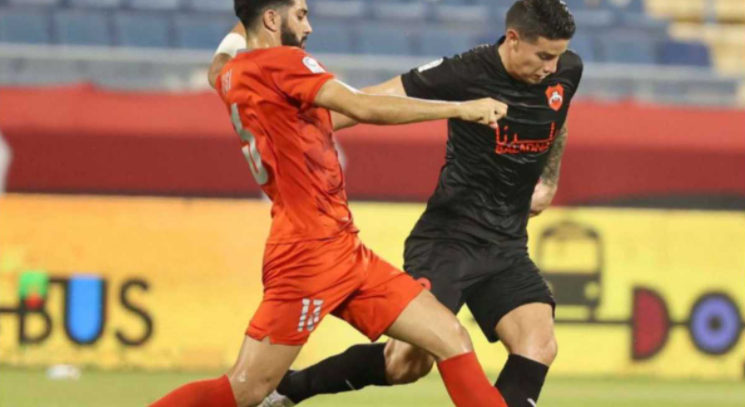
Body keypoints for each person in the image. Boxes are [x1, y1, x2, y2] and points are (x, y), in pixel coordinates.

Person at [151, 1, 511, 406]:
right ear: (272, 19)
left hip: (343, 249)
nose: (308, 27)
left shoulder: (230, 75)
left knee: (450, 337)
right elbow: (362, 105)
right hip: (308, 255)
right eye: (300, 15)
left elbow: (221, 57)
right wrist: (463, 108)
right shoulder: (282, 62)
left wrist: (246, 17)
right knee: (247, 389)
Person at [249, 1, 583, 406]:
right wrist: (288, 126)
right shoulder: (466, 71)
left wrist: (549, 179)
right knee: (407, 362)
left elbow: (558, 119)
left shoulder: (567, 69)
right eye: (544, 55)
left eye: (558, 55)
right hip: (448, 241)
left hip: (507, 245)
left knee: (539, 343)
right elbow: (371, 100)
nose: (552, 66)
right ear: (513, 39)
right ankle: (290, 389)